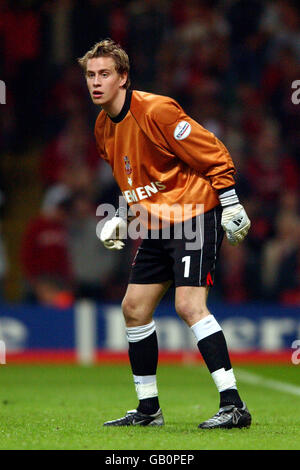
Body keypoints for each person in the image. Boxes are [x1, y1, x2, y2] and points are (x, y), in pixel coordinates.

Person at [78, 39, 251, 429]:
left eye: (105, 74)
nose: (96, 82)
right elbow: (133, 177)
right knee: (134, 308)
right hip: (156, 224)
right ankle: (148, 410)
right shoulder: (103, 126)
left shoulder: (157, 109)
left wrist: (232, 202)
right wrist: (123, 216)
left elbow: (213, 151)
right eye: (91, 75)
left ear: (123, 78)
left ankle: (234, 404)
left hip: (194, 214)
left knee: (189, 306)